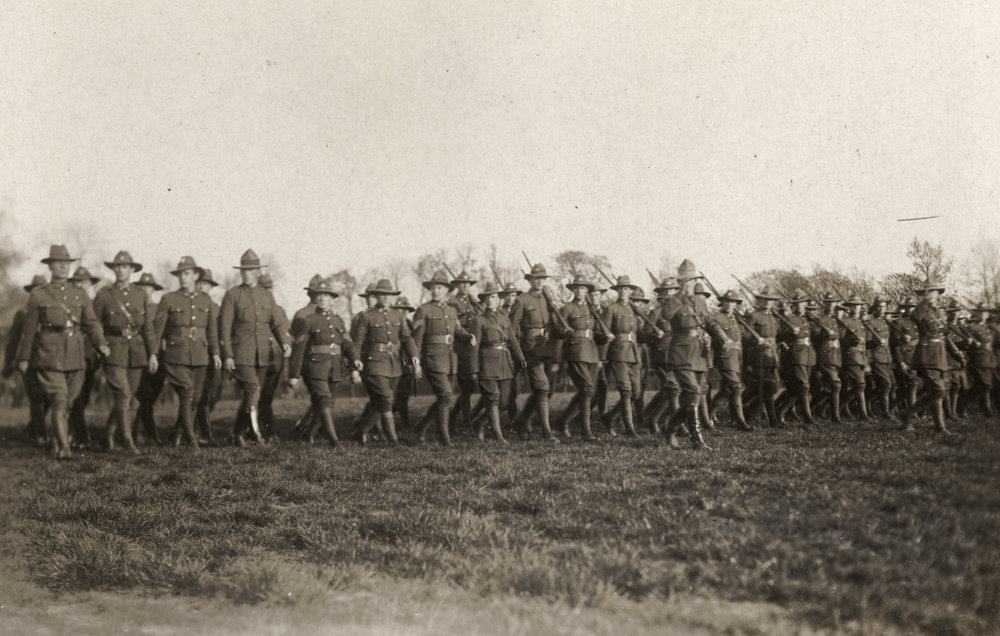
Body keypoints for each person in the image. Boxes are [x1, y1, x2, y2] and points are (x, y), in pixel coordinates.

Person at [16, 245, 110, 460]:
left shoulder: (80, 294)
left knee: (69, 403)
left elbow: (91, 323)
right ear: (50, 266)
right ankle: (65, 448)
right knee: (59, 400)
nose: (63, 267)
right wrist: (24, 358)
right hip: (49, 355)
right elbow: (29, 330)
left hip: (76, 356)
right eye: (58, 263)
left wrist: (101, 343)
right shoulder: (38, 295)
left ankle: (56, 440)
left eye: (66, 263)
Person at [219, 249, 291, 446]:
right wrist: (228, 355)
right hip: (240, 355)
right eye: (244, 270)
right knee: (253, 389)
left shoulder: (266, 295)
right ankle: (256, 435)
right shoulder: (232, 295)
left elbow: (277, 323)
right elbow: (224, 328)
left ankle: (237, 433)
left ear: (258, 272)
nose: (247, 274)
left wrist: (285, 342)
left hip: (263, 355)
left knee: (253, 394)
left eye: (251, 270)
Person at [150, 256, 221, 449]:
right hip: (176, 355)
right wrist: (154, 354)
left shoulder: (205, 300)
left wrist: (215, 353)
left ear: (196, 276)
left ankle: (176, 434)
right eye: (180, 274)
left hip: (200, 355)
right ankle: (191, 440)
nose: (183, 277)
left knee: (194, 399)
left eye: (187, 273)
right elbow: (158, 331)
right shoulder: (169, 299)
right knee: (188, 392)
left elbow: (211, 331)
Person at [287, 277, 362, 448]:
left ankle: (308, 434)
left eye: (326, 295)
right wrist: (294, 375)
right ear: (314, 298)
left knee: (327, 403)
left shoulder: (338, 320)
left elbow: (347, 344)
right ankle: (334, 442)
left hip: (335, 367)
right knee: (325, 400)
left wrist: (355, 359)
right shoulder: (308, 321)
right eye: (319, 295)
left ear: (332, 299)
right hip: (315, 368)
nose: (322, 298)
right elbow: (299, 349)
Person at [93, 251, 156, 453]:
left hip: (137, 351)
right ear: (113, 269)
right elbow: (95, 324)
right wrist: (101, 344)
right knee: (123, 393)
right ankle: (127, 441)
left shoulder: (140, 294)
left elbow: (148, 328)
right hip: (113, 350)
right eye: (117, 266)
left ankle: (107, 435)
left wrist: (152, 353)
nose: (121, 270)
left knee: (128, 397)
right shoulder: (104, 295)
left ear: (132, 270)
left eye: (125, 267)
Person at [352, 279, 420, 445]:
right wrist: (355, 362)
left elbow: (406, 338)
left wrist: (414, 355)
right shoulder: (366, 316)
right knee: (387, 398)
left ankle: (360, 432)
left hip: (394, 364)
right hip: (374, 364)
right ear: (376, 296)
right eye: (382, 295)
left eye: (389, 295)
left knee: (379, 401)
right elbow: (358, 343)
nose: (386, 298)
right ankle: (393, 440)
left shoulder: (397, 315)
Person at [412, 271, 474, 446]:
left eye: (439, 288)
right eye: (433, 288)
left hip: (451, 360)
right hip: (433, 359)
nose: (435, 291)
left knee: (444, 398)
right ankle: (444, 438)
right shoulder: (423, 310)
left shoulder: (452, 310)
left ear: (447, 290)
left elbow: (458, 331)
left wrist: (468, 337)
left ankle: (421, 427)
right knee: (446, 396)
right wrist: (416, 361)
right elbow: (417, 339)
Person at [468, 282, 526, 443]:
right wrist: (474, 370)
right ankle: (498, 436)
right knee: (493, 398)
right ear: (484, 301)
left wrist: (520, 357)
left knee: (505, 401)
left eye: (493, 297)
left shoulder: (504, 317)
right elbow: (474, 347)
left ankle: (479, 422)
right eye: (487, 298)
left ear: (499, 300)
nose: (490, 300)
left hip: (504, 363)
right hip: (486, 364)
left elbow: (512, 340)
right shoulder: (478, 320)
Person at [508, 264, 560, 441]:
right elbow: (511, 329)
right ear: (530, 280)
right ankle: (547, 432)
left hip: (547, 348)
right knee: (543, 387)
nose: (539, 281)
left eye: (543, 279)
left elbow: (553, 324)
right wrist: (517, 353)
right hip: (530, 349)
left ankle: (520, 422)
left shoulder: (548, 299)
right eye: (536, 278)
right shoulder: (521, 300)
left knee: (543, 390)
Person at [553, 275, 607, 440]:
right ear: (573, 290)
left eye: (583, 288)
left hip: (592, 352)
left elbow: (597, 333)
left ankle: (563, 421)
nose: (579, 291)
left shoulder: (593, 310)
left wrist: (604, 337)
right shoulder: (567, 308)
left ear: (587, 291)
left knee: (589, 391)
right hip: (576, 351)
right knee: (587, 389)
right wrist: (565, 331)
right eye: (576, 288)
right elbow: (556, 329)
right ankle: (586, 431)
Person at [900, 280, 953, 433]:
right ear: (924, 294)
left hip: (939, 354)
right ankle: (936, 425)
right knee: (938, 390)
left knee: (938, 391)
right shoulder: (921, 309)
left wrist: (942, 317)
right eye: (929, 292)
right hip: (927, 354)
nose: (933, 295)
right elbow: (915, 316)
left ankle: (911, 416)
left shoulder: (938, 312)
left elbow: (945, 332)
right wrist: (925, 303)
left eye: (935, 292)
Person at [3, 275, 49, 443]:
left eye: (42, 289)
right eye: (35, 290)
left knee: (50, 396)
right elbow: (13, 341)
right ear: (31, 292)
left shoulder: (52, 311)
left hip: (49, 359)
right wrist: (8, 364)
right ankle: (41, 435)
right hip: (28, 360)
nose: (38, 293)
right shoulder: (22, 313)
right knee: (35, 396)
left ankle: (34, 426)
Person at [67, 265, 102, 448]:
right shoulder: (69, 302)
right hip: (73, 353)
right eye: (77, 282)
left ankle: (72, 431)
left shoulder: (95, 303)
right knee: (76, 396)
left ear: (90, 284)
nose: (81, 285)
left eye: (85, 282)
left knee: (85, 395)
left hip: (90, 356)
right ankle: (80, 435)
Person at [707, 289, 752, 430]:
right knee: (736, 387)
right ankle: (741, 422)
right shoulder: (717, 318)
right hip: (725, 357)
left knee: (726, 391)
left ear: (736, 304)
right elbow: (715, 332)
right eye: (727, 301)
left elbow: (744, 337)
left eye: (733, 302)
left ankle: (708, 416)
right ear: (722, 303)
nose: (729, 305)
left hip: (736, 359)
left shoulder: (736, 319)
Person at [132, 272, 167, 445]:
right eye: (142, 286)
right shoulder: (133, 307)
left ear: (154, 290)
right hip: (138, 355)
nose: (145, 290)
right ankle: (147, 434)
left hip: (158, 356)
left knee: (151, 396)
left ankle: (138, 430)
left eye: (149, 287)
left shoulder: (159, 308)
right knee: (144, 396)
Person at [645, 277, 682, 433]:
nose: (669, 294)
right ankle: (678, 425)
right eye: (666, 291)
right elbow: (644, 334)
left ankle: (653, 419)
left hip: (677, 355)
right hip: (662, 356)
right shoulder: (656, 312)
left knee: (672, 390)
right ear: (661, 294)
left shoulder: (680, 312)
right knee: (673, 389)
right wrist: (655, 335)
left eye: (672, 290)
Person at [257, 273, 290, 440]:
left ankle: (268, 431)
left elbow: (286, 333)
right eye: (264, 289)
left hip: (275, 359)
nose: (268, 292)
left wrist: (287, 345)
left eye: (269, 289)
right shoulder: (255, 309)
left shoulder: (279, 310)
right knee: (255, 397)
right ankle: (254, 431)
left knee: (267, 398)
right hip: (257, 357)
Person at [744, 285, 782, 428]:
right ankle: (773, 421)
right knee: (768, 387)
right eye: (765, 299)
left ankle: (747, 409)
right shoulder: (754, 316)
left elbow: (777, 335)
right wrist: (755, 340)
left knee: (770, 388)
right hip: (759, 356)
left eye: (770, 300)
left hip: (772, 356)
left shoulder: (773, 317)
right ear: (760, 300)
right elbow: (745, 336)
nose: (768, 302)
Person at [448, 270, 480, 432]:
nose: (465, 286)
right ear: (457, 286)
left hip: (473, 345)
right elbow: (454, 326)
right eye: (462, 284)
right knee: (466, 386)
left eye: (468, 284)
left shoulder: (472, 302)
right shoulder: (452, 303)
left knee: (470, 386)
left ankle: (454, 415)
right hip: (460, 346)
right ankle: (466, 422)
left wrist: (476, 303)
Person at [777, 291, 816, 425]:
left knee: (797, 389)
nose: (799, 305)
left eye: (802, 303)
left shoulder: (807, 319)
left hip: (808, 355)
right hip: (796, 354)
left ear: (805, 304)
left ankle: (780, 412)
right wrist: (790, 333)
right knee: (804, 386)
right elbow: (780, 336)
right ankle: (808, 418)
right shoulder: (790, 319)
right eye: (797, 303)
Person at [194, 269, 223, 443]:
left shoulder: (216, 307)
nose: (202, 287)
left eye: (206, 284)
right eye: (200, 283)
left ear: (211, 287)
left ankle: (188, 429)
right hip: (197, 355)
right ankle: (203, 433)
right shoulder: (190, 305)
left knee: (214, 394)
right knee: (199, 395)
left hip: (215, 356)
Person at [810, 292, 843, 422]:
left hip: (836, 356)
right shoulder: (819, 319)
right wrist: (825, 335)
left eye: (833, 302)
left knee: (829, 387)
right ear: (824, 304)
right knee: (836, 384)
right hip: (826, 356)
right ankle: (836, 417)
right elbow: (814, 338)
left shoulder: (836, 319)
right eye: (828, 302)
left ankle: (816, 409)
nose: (830, 305)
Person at [839, 296, 871, 422]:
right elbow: (840, 341)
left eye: (858, 305)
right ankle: (862, 414)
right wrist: (851, 341)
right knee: (860, 384)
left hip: (861, 356)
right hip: (851, 356)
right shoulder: (845, 322)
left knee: (860, 385)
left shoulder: (860, 322)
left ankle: (839, 407)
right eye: (853, 305)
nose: (856, 307)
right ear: (849, 307)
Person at [866, 297, 896, 420]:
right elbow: (867, 343)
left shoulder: (885, 322)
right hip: (876, 357)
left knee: (891, 385)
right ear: (875, 307)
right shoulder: (870, 322)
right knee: (886, 384)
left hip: (886, 357)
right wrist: (876, 342)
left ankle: (869, 404)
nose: (881, 309)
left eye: (883, 306)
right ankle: (885, 412)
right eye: (879, 306)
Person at [392, 296, 418, 435]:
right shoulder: (392, 323)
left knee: (403, 396)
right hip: (395, 362)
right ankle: (406, 424)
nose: (402, 312)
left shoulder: (409, 324)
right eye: (399, 309)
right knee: (400, 396)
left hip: (408, 364)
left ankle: (373, 419)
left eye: (405, 310)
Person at [965, 305, 996, 416]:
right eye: (981, 312)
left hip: (989, 360)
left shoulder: (988, 328)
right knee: (985, 385)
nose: (983, 314)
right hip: (978, 360)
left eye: (985, 312)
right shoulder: (972, 328)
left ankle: (961, 406)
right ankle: (987, 411)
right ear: (976, 313)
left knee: (981, 386)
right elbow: (968, 345)